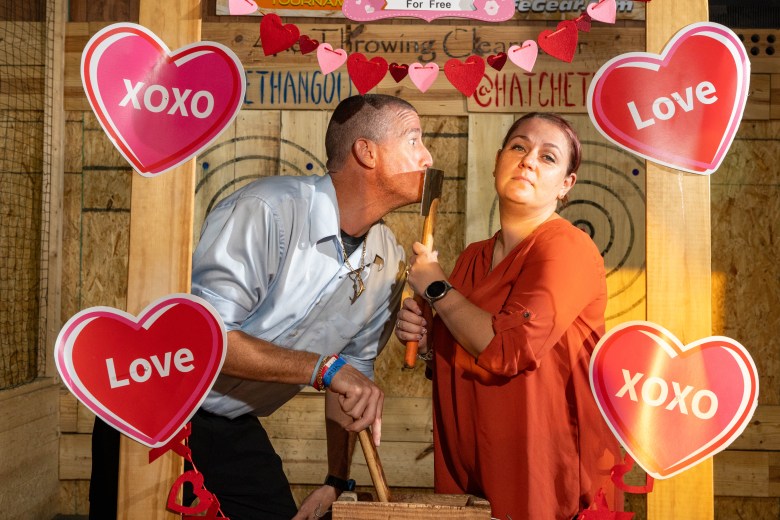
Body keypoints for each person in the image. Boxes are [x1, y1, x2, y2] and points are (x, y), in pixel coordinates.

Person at [88, 94, 433, 520]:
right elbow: (208, 340)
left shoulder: (388, 257)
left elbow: (353, 373)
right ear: (367, 152)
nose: (428, 157)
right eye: (414, 140)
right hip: (155, 404)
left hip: (230, 423)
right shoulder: (268, 209)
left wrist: (335, 479)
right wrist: (323, 368)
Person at [395, 113, 623, 519]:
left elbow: (507, 348)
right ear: (499, 160)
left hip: (540, 486)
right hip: (471, 485)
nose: (529, 160)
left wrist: (436, 289)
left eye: (548, 157)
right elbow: (465, 357)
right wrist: (431, 344)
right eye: (519, 147)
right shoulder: (472, 258)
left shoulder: (567, 249)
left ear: (566, 185)